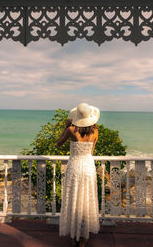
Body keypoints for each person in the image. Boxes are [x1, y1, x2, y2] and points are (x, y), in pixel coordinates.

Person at [57, 102, 100, 247]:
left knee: (74, 200)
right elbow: (91, 151)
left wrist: (66, 126)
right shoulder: (95, 131)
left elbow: (58, 143)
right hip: (88, 166)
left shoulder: (71, 130)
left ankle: (74, 236)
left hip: (75, 166)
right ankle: (83, 237)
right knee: (86, 201)